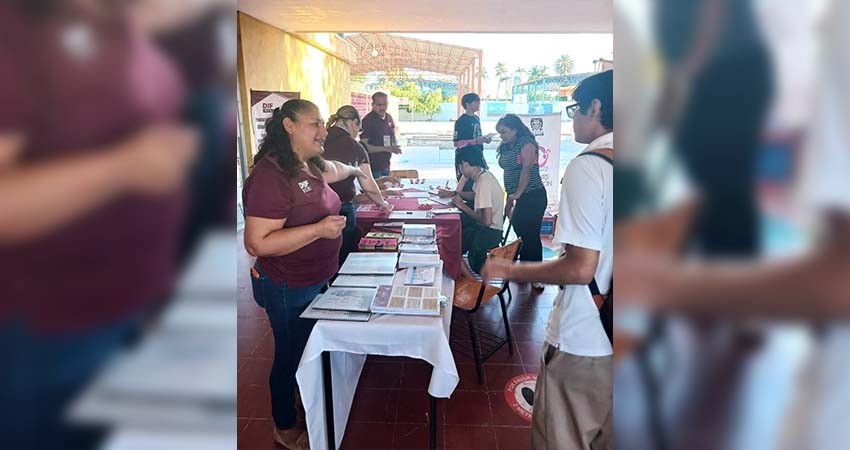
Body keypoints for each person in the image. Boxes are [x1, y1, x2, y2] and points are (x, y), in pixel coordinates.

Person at [0, 1, 199, 447]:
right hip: (43, 332)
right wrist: (121, 168)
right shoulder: (15, 28)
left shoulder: (108, 23)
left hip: (119, 311)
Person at [482, 70, 614, 450]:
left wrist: (510, 267)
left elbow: (580, 267)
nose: (572, 116)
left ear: (595, 107)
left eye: (575, 108)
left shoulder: (591, 166)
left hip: (588, 337)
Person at [242, 99, 370, 450]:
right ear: (289, 126)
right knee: (290, 352)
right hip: (288, 284)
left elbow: (337, 169)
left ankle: (305, 398)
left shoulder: (309, 164)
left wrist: (358, 171)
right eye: (314, 124)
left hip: (318, 278)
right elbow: (256, 243)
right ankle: (284, 425)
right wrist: (318, 231)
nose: (323, 130)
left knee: (307, 347)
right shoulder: (271, 176)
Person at [323, 105, 390, 266]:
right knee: (343, 255)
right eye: (359, 129)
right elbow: (368, 185)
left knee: (322, 255)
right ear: (354, 123)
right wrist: (383, 204)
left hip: (316, 206)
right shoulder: (354, 146)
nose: (357, 134)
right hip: (341, 209)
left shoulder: (320, 137)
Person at [495, 113, 548, 289]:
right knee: (522, 235)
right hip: (515, 196)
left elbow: (526, 169)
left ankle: (536, 275)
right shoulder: (507, 146)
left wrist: (518, 193)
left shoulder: (526, 143)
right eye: (500, 133)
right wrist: (512, 197)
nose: (501, 136)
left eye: (504, 132)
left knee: (531, 236)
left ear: (515, 129)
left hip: (532, 195)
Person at [440, 92, 492, 231]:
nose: (478, 104)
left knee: (479, 187)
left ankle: (477, 217)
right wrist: (475, 141)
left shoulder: (476, 118)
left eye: (479, 101)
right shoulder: (462, 121)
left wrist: (484, 140)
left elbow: (476, 137)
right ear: (467, 104)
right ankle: (468, 218)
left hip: (477, 157)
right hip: (466, 158)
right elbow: (457, 143)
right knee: (467, 186)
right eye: (475, 102)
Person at [451, 146, 504, 274]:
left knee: (454, 245)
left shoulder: (484, 182)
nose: (460, 170)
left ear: (465, 164)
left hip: (490, 232)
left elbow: (486, 221)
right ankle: (464, 276)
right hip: (488, 228)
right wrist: (454, 193)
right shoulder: (483, 175)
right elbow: (475, 195)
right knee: (456, 234)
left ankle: (472, 282)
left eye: (460, 166)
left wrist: (462, 206)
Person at [360, 92, 401, 179]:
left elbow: (392, 133)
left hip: (386, 164)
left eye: (384, 104)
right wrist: (387, 148)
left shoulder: (388, 117)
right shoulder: (367, 121)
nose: (382, 108)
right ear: (373, 104)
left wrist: (394, 145)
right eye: (379, 105)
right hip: (373, 167)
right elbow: (365, 147)